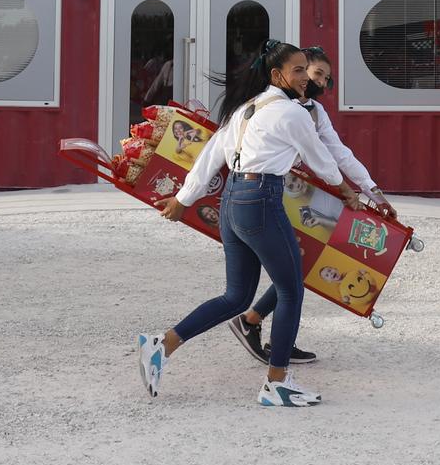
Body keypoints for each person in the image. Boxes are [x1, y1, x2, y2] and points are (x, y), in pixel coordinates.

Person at [134, 40, 366, 408]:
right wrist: (350, 192)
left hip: (233, 201)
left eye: (307, 69)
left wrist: (184, 199)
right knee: (291, 289)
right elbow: (323, 161)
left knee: (237, 296)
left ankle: (163, 343)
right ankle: (276, 383)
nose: (306, 77)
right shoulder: (293, 114)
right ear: (277, 75)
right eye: (298, 70)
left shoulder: (246, 108)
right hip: (261, 199)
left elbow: (212, 155)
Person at [227, 46, 396, 367]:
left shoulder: (315, 112)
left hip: (300, 196)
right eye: (313, 73)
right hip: (275, 192)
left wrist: (373, 190)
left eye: (324, 79)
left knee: (300, 265)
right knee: (293, 269)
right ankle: (264, 339)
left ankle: (262, 327)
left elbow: (339, 154)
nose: (315, 81)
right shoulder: (272, 105)